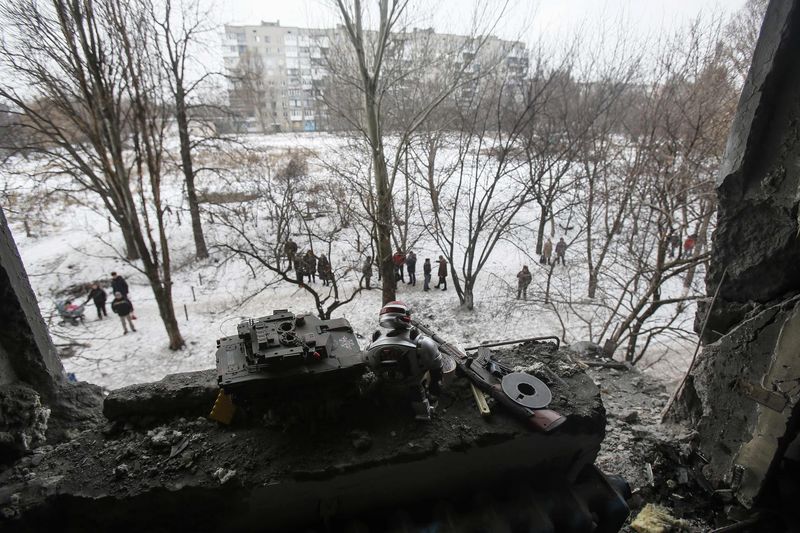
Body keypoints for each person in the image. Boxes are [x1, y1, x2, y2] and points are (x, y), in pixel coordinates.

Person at [364, 301, 444, 420]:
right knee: (418, 396)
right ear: (406, 317)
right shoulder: (423, 343)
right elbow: (437, 370)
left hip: (386, 387)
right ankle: (423, 414)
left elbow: (369, 365)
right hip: (414, 386)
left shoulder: (372, 345)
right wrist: (434, 393)